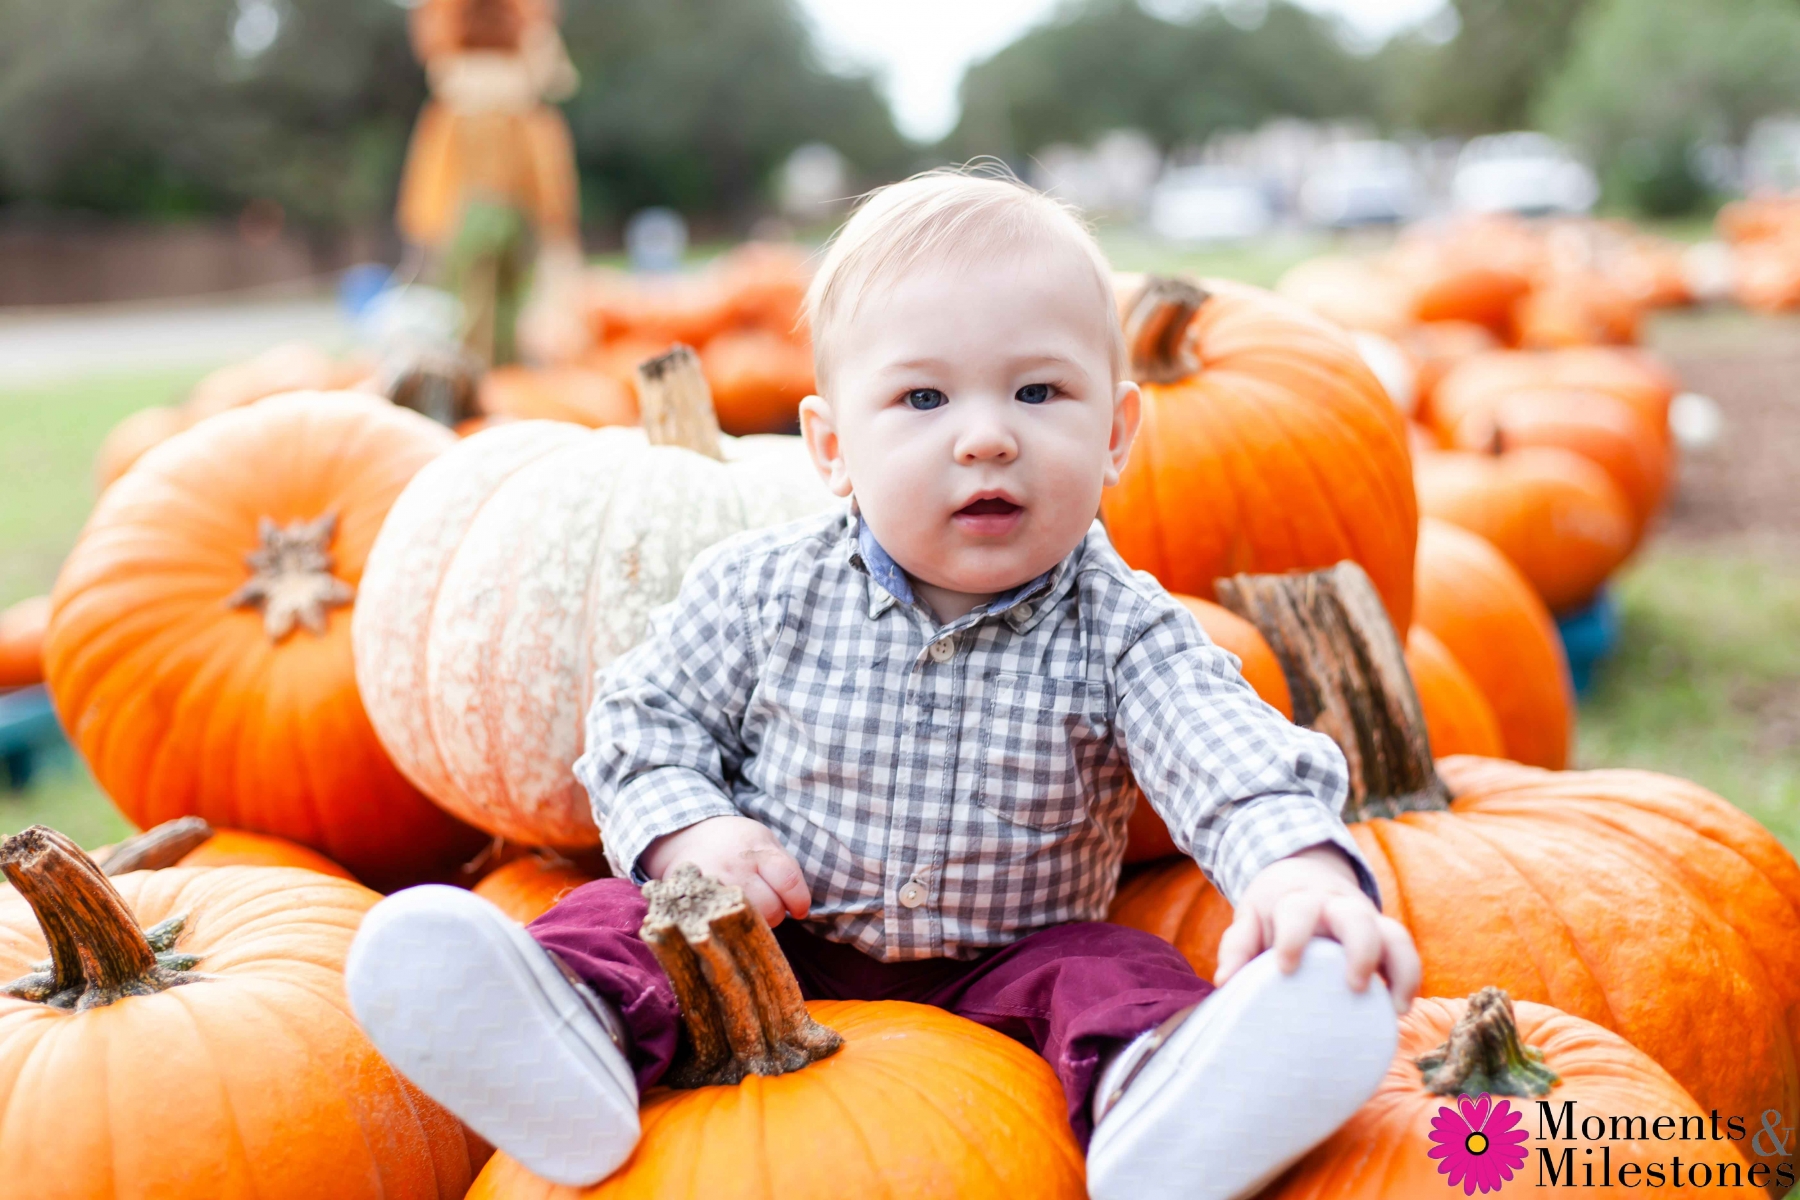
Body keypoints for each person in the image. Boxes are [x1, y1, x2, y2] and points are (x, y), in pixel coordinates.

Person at [346, 166, 1422, 1200]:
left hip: (1005, 962)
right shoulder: (764, 589)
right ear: (832, 448)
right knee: (619, 915)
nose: (989, 435)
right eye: (921, 398)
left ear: (1118, 435)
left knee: (1111, 973)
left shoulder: (1126, 628)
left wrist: (1299, 871)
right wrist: (691, 837)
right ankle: (563, 1037)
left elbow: (1226, 755)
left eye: (1040, 391)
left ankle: (1168, 1101)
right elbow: (643, 725)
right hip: (760, 938)